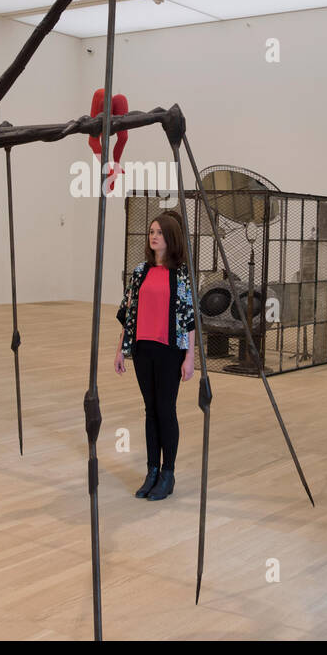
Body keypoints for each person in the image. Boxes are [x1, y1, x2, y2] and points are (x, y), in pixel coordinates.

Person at [114, 209, 196, 502]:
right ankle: (151, 471)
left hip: (170, 350)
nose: (154, 237)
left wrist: (190, 357)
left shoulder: (182, 273)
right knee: (150, 411)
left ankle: (168, 473)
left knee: (166, 410)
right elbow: (128, 312)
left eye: (159, 232)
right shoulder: (140, 272)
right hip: (142, 348)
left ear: (171, 238)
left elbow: (189, 319)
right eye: (151, 232)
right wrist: (122, 350)